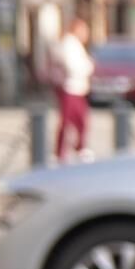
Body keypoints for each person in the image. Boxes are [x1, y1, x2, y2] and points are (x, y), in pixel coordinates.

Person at [51, 16, 93, 162]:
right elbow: (73, 67)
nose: (86, 34)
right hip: (70, 88)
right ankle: (63, 151)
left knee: (80, 120)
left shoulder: (75, 44)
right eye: (84, 30)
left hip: (77, 88)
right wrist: (88, 67)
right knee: (70, 121)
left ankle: (78, 147)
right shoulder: (69, 45)